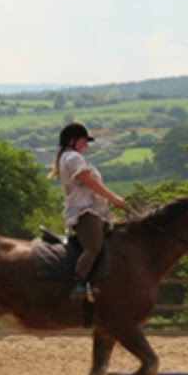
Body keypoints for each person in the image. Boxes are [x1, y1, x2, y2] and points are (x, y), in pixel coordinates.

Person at [49, 122, 127, 302]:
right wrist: (114, 198)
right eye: (84, 141)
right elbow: (89, 182)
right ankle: (78, 282)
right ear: (73, 141)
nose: (86, 145)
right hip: (85, 211)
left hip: (94, 209)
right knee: (93, 246)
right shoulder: (73, 158)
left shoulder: (69, 157)